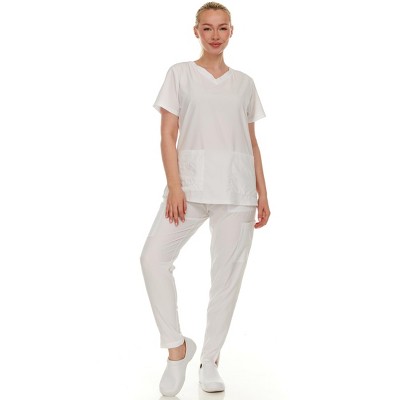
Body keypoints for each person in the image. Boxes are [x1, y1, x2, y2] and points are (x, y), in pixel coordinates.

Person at [140, 2, 271, 396]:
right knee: (152, 258)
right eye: (208, 28)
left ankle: (210, 360)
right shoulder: (179, 74)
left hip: (237, 191)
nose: (216, 35)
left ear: (232, 31)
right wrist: (175, 186)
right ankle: (177, 349)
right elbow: (167, 135)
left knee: (226, 279)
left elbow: (251, 141)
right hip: (190, 188)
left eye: (223, 28)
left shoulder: (245, 83)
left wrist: (263, 192)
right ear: (196, 31)